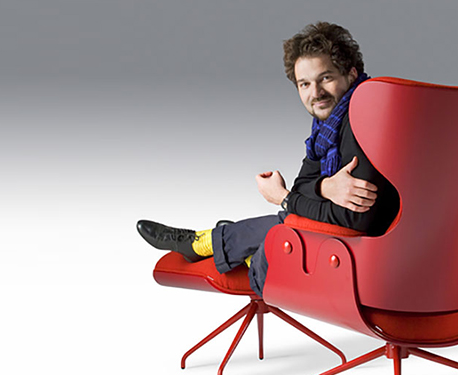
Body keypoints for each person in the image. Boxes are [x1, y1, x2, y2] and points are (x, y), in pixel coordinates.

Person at [137, 22, 399, 295]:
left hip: (355, 266)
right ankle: (213, 241)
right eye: (305, 84)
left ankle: (218, 245)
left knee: (281, 228)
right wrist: (324, 187)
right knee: (287, 220)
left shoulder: (364, 121)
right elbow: (303, 186)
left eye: (325, 78)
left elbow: (353, 220)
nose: (315, 93)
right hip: (347, 251)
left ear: (351, 73)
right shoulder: (328, 129)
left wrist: (284, 198)